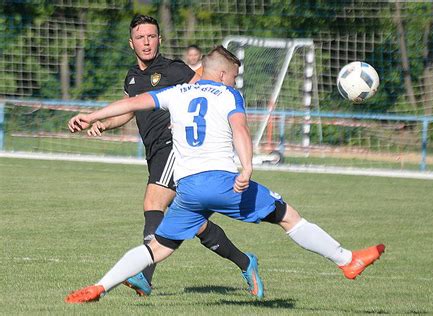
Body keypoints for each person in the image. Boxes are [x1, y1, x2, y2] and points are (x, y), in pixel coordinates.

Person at [65, 46, 385, 304]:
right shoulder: (228, 95)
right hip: (223, 183)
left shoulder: (176, 93)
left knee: (157, 249)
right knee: (289, 216)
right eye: (233, 77)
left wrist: (90, 115)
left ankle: (98, 287)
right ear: (221, 74)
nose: (234, 83)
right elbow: (241, 131)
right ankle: (346, 260)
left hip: (188, 189)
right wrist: (246, 167)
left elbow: (133, 102)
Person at [85, 15, 256, 298]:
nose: (146, 42)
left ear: (159, 40)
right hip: (155, 153)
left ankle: (144, 276)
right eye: (140, 37)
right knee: (195, 223)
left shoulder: (173, 69)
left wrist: (191, 119)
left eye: (151, 36)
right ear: (131, 43)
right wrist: (103, 123)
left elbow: (208, 88)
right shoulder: (132, 77)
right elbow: (129, 111)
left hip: (174, 148)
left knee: (153, 201)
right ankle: (245, 262)